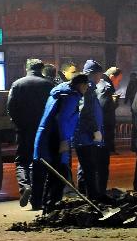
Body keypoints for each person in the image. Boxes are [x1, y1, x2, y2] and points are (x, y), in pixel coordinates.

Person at [31, 73, 90, 211]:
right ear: (81, 85)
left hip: (49, 136)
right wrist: (63, 140)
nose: (87, 88)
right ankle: (52, 206)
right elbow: (62, 119)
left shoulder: (61, 91)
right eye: (86, 85)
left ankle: (46, 204)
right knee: (59, 173)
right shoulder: (71, 97)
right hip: (56, 138)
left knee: (53, 173)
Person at [7, 58, 54, 207]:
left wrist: (18, 123)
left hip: (24, 129)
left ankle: (25, 186)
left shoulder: (18, 84)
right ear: (41, 69)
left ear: (27, 68)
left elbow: (10, 107)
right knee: (39, 162)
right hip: (43, 130)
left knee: (22, 161)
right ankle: (37, 200)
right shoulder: (49, 85)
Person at [76, 60, 106, 200]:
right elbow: (85, 112)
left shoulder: (89, 87)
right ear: (94, 74)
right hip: (86, 134)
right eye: (99, 74)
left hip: (86, 134)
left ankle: (85, 195)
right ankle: (90, 197)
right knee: (88, 167)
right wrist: (95, 130)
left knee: (86, 166)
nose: (100, 78)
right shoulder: (87, 88)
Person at [95, 66, 123, 194]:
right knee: (101, 163)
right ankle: (99, 192)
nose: (118, 83)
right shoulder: (106, 87)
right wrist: (113, 103)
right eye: (119, 80)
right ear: (112, 77)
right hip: (102, 132)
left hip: (98, 131)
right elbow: (102, 111)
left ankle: (94, 190)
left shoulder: (101, 84)